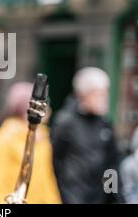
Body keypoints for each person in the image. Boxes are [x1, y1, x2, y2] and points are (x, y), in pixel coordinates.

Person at [51, 67, 121, 204]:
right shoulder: (65, 122)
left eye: (106, 92)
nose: (105, 98)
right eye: (99, 94)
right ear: (84, 94)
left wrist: (112, 197)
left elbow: (111, 166)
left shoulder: (104, 123)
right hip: (71, 197)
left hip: (98, 198)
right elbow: (53, 162)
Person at [0, 82, 61, 204]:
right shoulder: (3, 138)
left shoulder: (43, 138)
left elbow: (48, 179)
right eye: (43, 106)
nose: (48, 111)